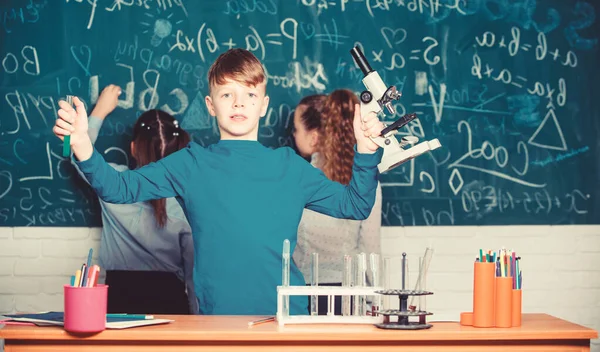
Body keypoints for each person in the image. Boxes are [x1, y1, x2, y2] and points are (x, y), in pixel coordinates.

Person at [53, 48, 384, 316]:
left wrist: (366, 152)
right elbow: (118, 189)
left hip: (286, 321)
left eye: (250, 94)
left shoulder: (289, 167)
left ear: (264, 105)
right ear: (211, 105)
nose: (239, 103)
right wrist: (83, 145)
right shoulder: (190, 164)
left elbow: (355, 205)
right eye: (227, 94)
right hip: (218, 322)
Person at [72, 85, 197, 315]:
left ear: (133, 148)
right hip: (171, 300)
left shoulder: (113, 181)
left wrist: (100, 110)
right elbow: (192, 275)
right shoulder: (184, 195)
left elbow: (79, 157)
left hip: (119, 297)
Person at [292, 90, 382, 315]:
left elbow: (288, 247)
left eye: (295, 129)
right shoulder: (366, 183)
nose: (293, 135)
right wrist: (377, 298)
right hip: (350, 297)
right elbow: (370, 247)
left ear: (314, 137)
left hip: (304, 293)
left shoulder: (298, 180)